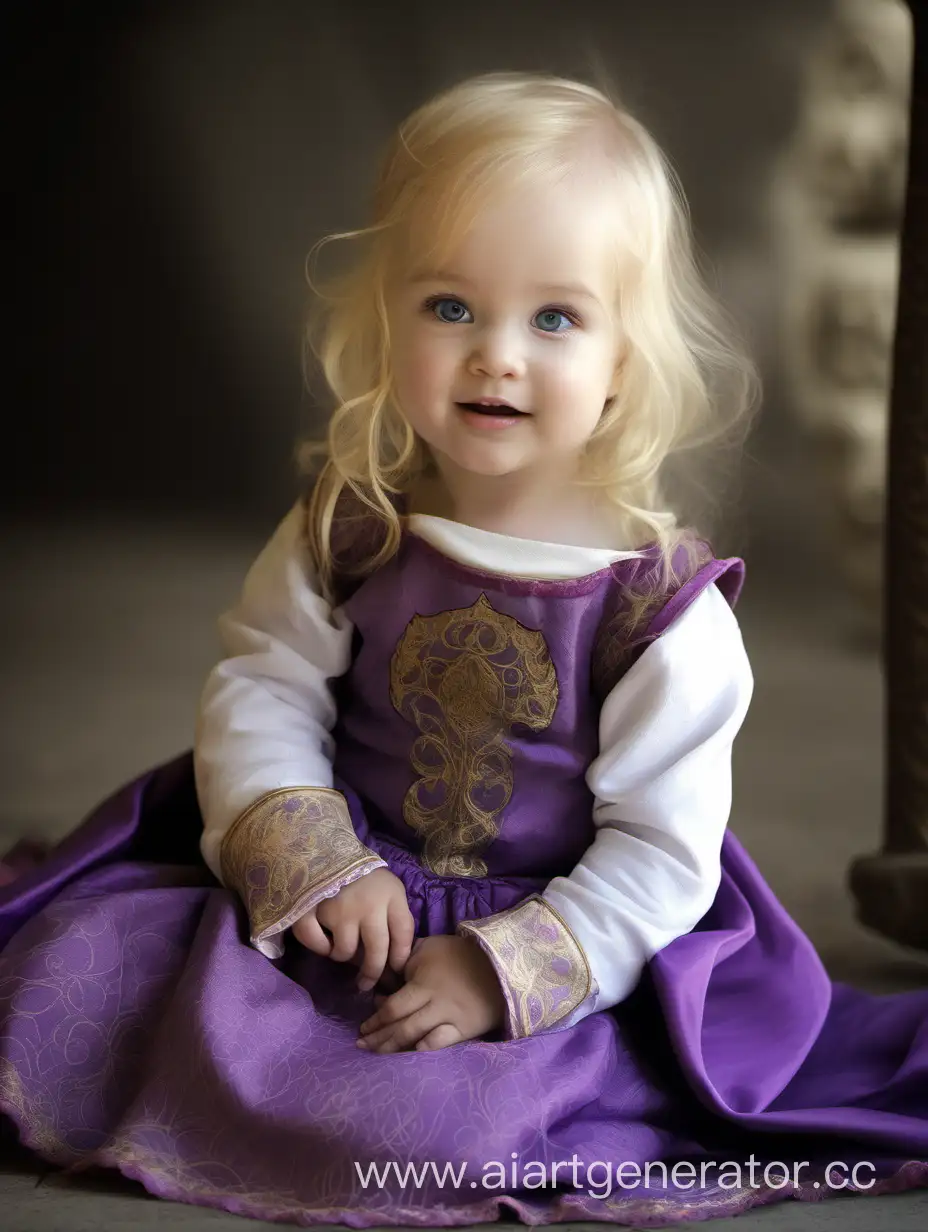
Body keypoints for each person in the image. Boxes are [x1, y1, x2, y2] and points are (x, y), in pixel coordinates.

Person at [0, 72, 925, 1227]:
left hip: (560, 929)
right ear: (386, 317)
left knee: (441, 1126)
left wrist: (502, 971)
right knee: (71, 987)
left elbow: (661, 853)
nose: (496, 354)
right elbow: (264, 685)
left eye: (554, 318)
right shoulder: (356, 523)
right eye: (449, 306)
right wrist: (308, 846)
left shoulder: (657, 607)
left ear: (623, 360)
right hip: (349, 891)